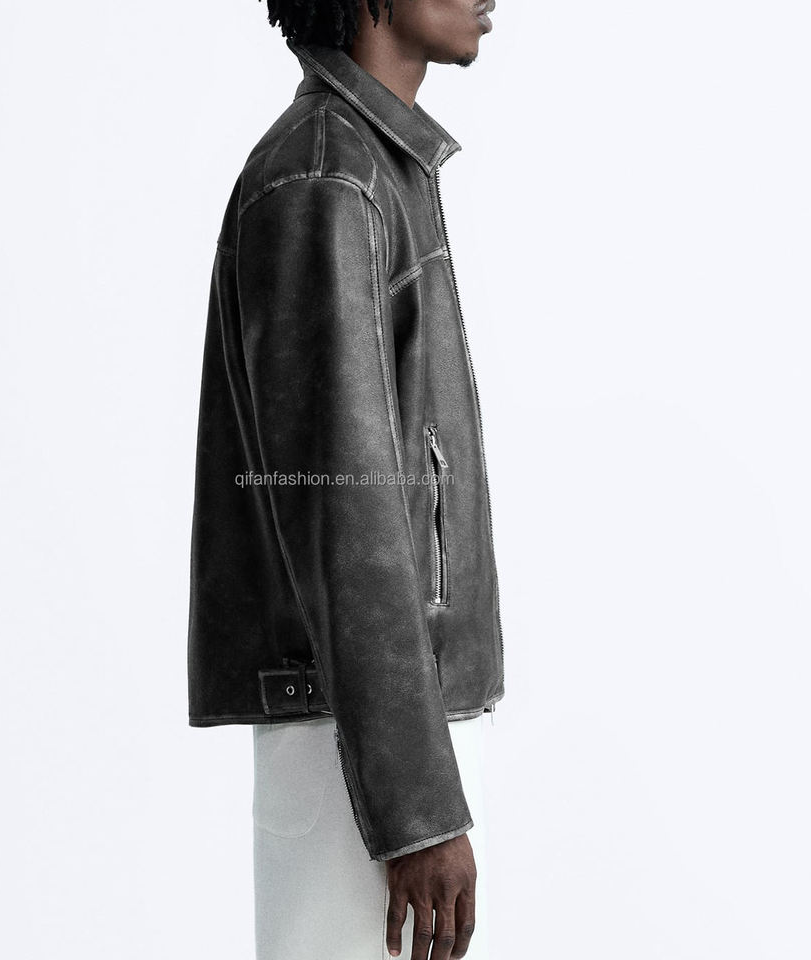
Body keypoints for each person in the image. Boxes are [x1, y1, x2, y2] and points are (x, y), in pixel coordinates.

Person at [187, 1, 503, 957]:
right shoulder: (326, 177)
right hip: (353, 748)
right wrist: (417, 814)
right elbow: (346, 511)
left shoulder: (366, 164)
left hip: (374, 730)